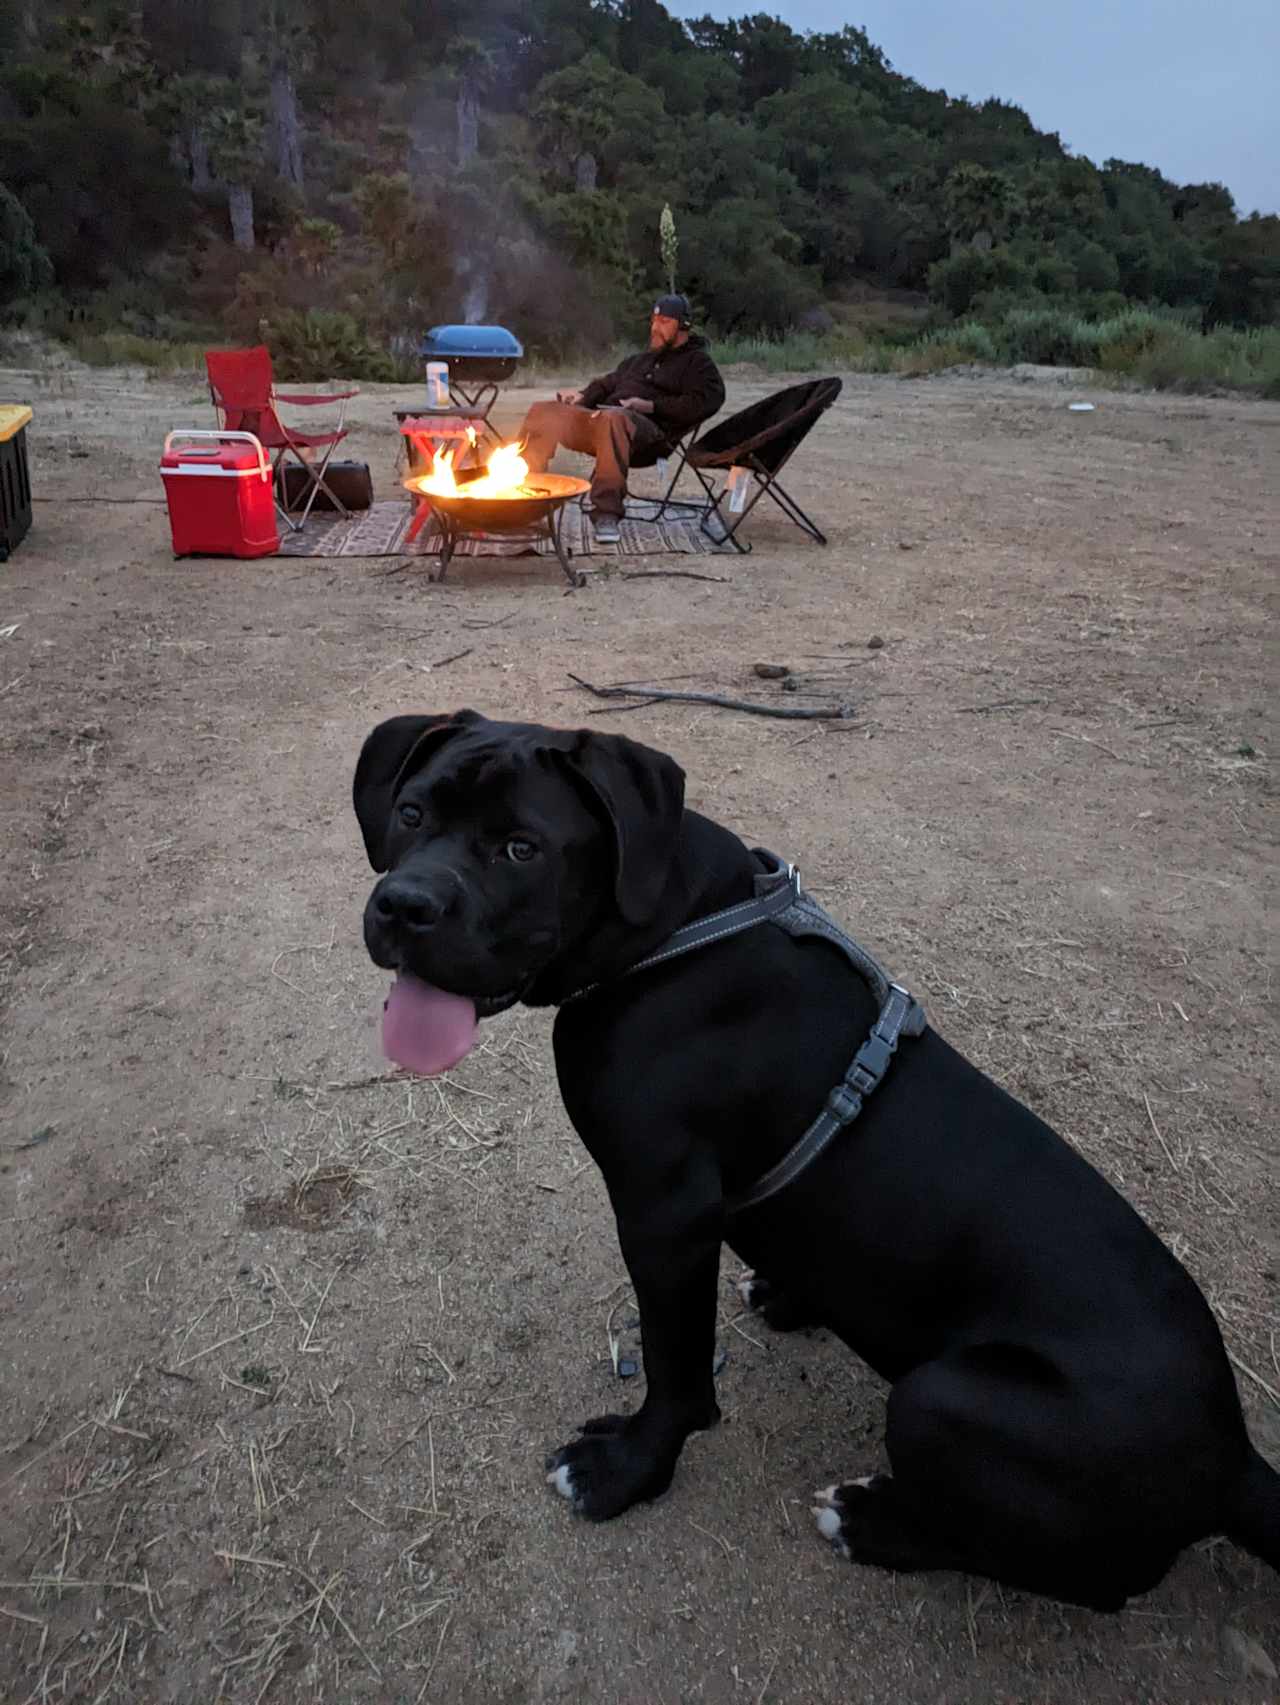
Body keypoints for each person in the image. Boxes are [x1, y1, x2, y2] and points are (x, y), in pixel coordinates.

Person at [517, 294, 725, 543]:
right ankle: (524, 496)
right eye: (654, 320)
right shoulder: (639, 360)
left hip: (649, 438)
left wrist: (650, 406)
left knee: (614, 419)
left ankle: (606, 513)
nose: (655, 328)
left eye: (664, 321)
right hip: (603, 422)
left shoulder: (697, 363)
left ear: (683, 326)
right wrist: (582, 397)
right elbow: (607, 384)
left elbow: (707, 401)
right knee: (544, 411)